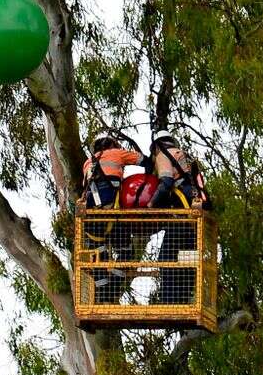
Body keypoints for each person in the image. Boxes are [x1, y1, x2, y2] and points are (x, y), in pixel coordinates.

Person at [80, 132, 145, 303]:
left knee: (98, 254)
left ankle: (103, 292)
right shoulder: (117, 153)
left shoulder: (88, 163)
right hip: (113, 215)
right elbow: (143, 160)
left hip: (92, 219)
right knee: (127, 252)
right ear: (112, 145)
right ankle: (113, 286)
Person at [148, 130, 206, 307]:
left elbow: (166, 183)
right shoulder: (186, 157)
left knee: (166, 259)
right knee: (188, 259)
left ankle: (169, 303)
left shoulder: (163, 154)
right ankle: (186, 301)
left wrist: (151, 205)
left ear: (157, 146)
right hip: (195, 215)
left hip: (181, 216)